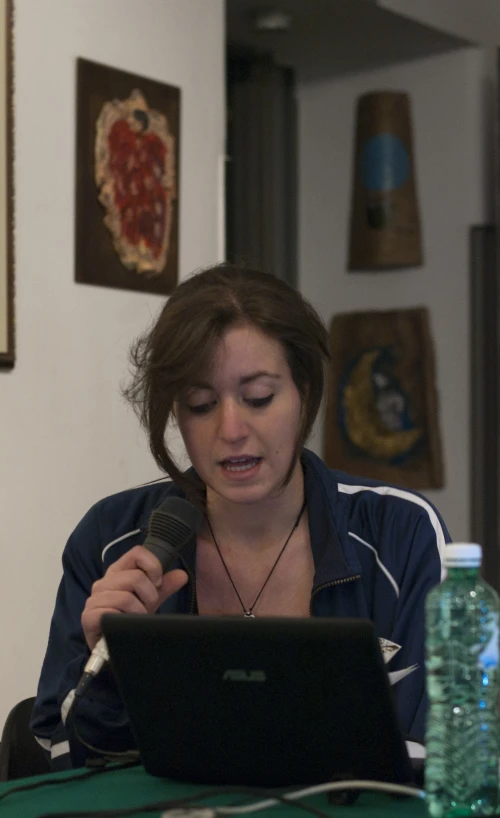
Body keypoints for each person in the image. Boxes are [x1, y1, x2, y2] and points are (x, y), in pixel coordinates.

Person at [31, 263, 450, 769]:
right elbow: (56, 762)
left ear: (304, 394)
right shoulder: (110, 538)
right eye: (201, 404)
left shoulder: (400, 533)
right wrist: (106, 670)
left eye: (258, 398)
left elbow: (438, 753)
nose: (231, 429)